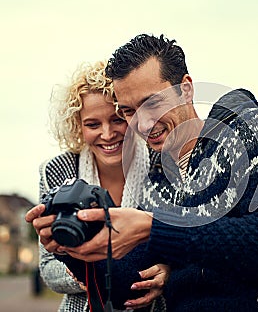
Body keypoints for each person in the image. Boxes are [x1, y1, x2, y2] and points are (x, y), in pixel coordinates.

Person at [28, 34, 258, 311]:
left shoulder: (256, 132)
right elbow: (127, 288)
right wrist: (72, 245)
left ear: (186, 89)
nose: (143, 123)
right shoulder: (158, 179)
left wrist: (156, 229)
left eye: (152, 103)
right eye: (129, 110)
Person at [26, 60, 168, 311]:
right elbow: (48, 268)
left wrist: (167, 272)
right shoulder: (57, 171)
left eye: (117, 120)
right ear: (77, 126)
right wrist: (95, 275)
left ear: (131, 114)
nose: (107, 133)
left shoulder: (163, 163)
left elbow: (182, 243)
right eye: (93, 124)